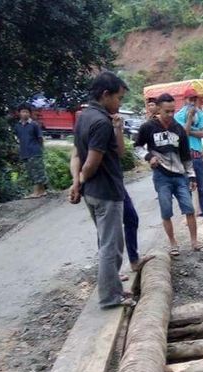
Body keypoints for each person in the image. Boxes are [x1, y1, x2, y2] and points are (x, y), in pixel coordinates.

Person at [68, 71, 134, 308]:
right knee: (111, 247)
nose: (119, 104)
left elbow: (75, 155)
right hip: (106, 192)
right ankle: (109, 297)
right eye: (118, 98)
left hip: (92, 193)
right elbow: (91, 162)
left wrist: (77, 183)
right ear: (105, 95)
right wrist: (81, 181)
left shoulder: (84, 117)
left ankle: (113, 289)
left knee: (107, 242)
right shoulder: (100, 122)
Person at [135, 93, 203, 255]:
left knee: (189, 209)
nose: (170, 115)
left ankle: (194, 241)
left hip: (180, 176)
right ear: (158, 109)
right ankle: (173, 243)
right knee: (166, 211)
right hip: (161, 177)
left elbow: (186, 156)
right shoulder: (148, 127)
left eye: (173, 111)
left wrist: (192, 176)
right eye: (167, 111)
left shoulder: (178, 129)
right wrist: (149, 157)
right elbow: (137, 147)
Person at [175, 88, 203, 228]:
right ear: (185, 100)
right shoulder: (179, 116)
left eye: (194, 99)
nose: (192, 102)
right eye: (190, 99)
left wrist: (191, 130)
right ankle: (188, 216)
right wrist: (190, 119)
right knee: (186, 188)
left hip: (197, 155)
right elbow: (183, 134)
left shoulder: (201, 114)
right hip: (185, 157)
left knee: (202, 188)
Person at [14, 103, 47, 199]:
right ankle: (42, 191)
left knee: (37, 171)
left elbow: (40, 138)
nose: (25, 114)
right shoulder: (17, 126)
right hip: (24, 152)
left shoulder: (34, 125)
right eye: (23, 112)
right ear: (19, 113)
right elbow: (18, 138)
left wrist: (40, 149)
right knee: (30, 172)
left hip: (35, 151)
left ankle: (37, 192)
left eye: (27, 112)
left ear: (30, 113)